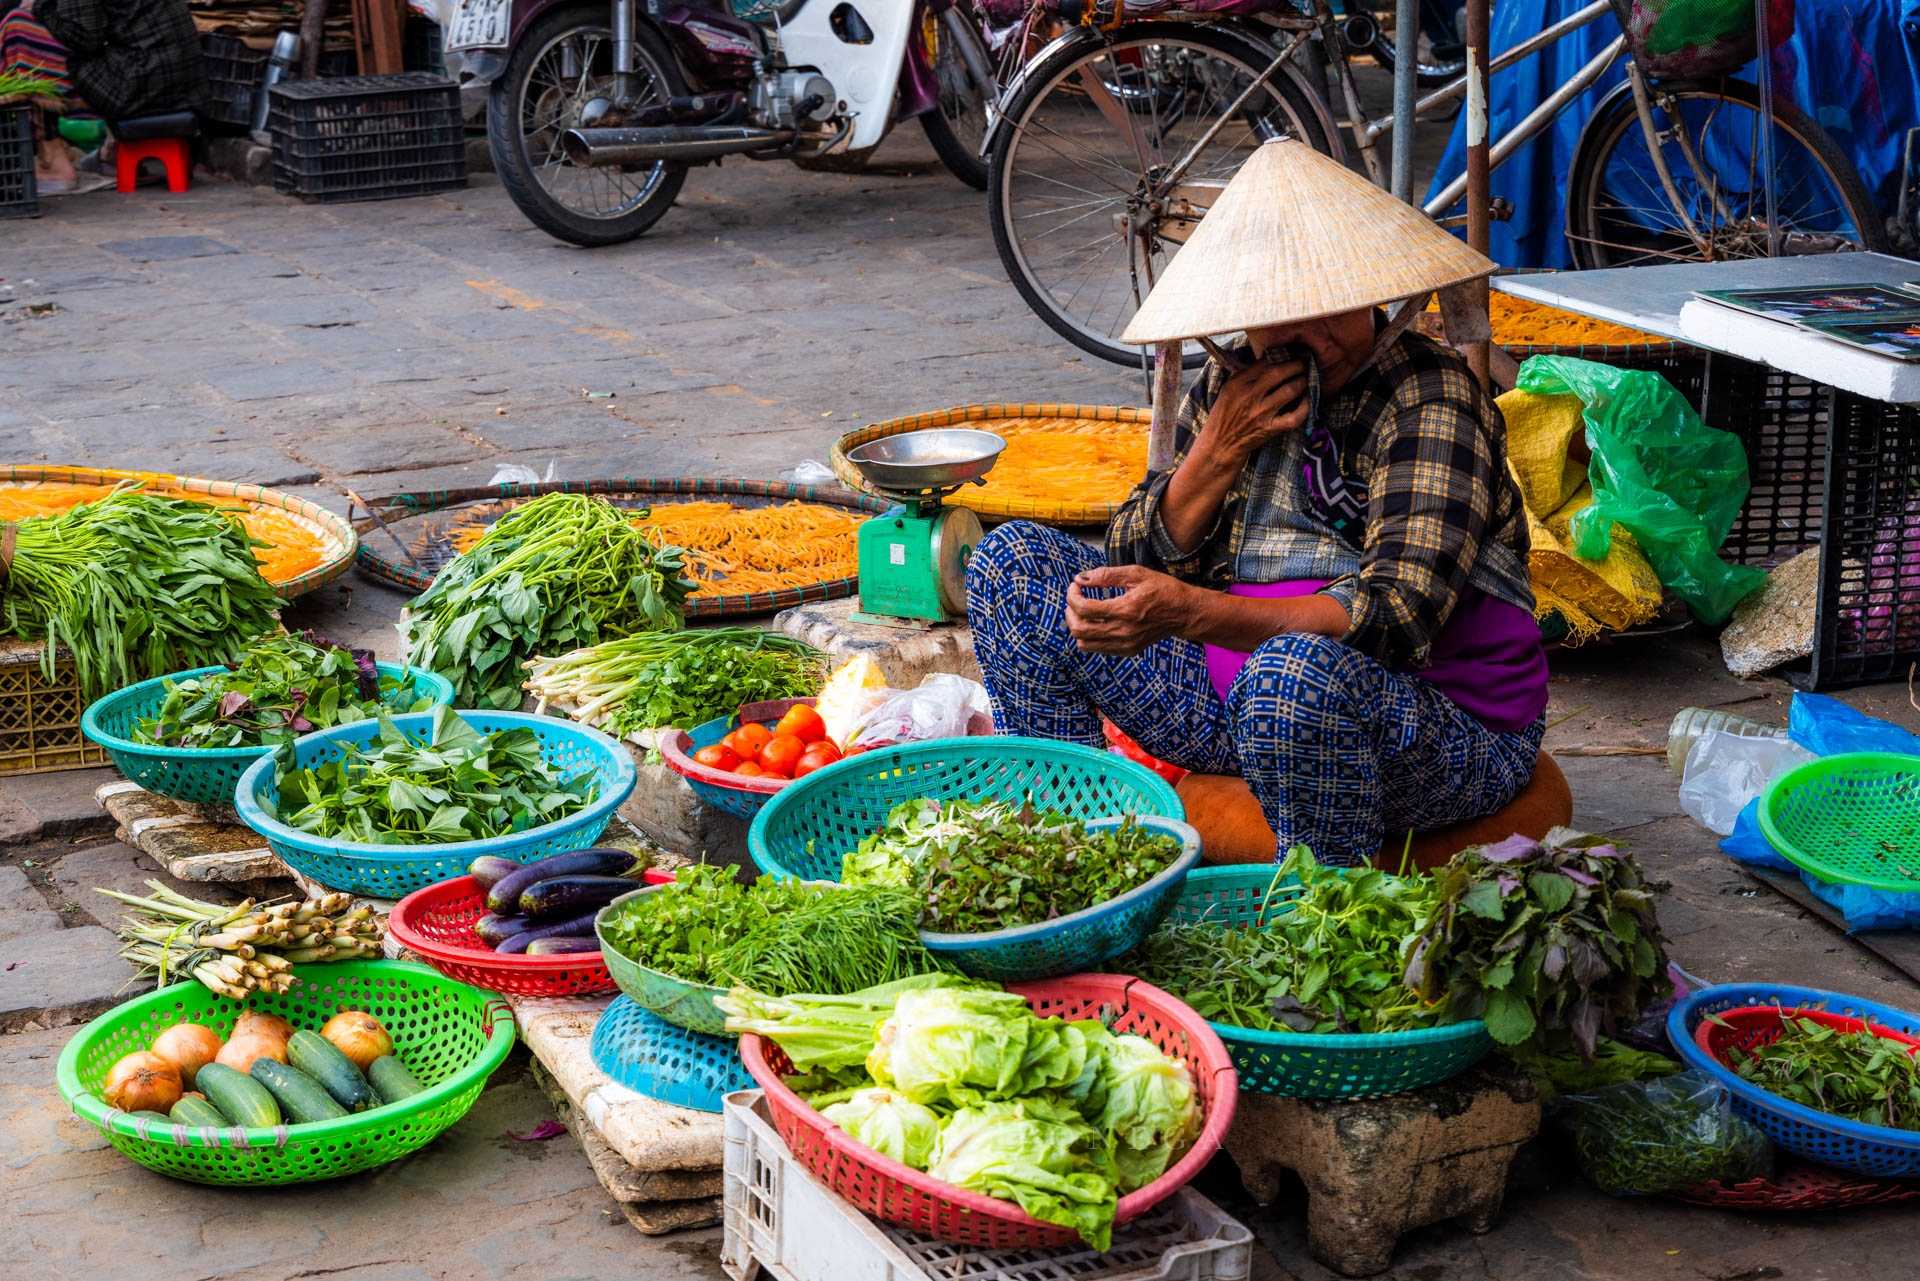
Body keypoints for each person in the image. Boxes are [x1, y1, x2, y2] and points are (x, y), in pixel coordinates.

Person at [965, 139, 1549, 867]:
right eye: (1279, 316)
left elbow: (1396, 616)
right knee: (1010, 563)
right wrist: (1214, 451)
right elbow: (1128, 564)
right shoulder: (1230, 388)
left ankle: (1324, 925)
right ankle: (1069, 863)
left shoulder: (1430, 397)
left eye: (1329, 308)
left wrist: (1189, 610)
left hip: (1438, 727)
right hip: (1233, 702)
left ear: (1370, 291)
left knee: (1290, 676)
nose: (1307, 337)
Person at [34, 0, 207, 122]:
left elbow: (84, 38)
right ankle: (109, 144)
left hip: (150, 84)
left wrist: (42, 7)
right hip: (188, 80)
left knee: (23, 29)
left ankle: (52, 151)